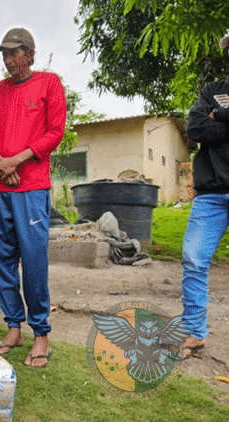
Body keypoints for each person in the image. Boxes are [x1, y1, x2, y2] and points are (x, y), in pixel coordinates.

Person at [0, 27, 66, 368]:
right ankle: (13, 328)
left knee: (33, 260)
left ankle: (40, 333)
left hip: (31, 187)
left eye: (14, 52)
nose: (8, 59)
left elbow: (55, 132)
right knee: (1, 258)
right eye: (4, 53)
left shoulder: (49, 83)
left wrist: (18, 159)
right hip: (0, 188)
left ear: (30, 53)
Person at [179, 33, 229, 359]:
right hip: (211, 194)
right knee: (194, 259)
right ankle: (195, 332)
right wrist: (211, 116)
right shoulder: (211, 91)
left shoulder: (217, 103)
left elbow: (209, 124)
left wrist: (220, 116)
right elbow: (195, 129)